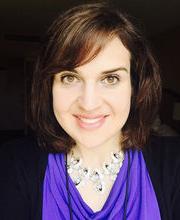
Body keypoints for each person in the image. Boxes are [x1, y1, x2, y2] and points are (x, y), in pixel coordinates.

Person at [0, 3, 180, 220]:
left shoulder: (174, 162)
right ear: (49, 86)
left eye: (110, 78)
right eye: (70, 77)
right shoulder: (12, 164)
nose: (89, 103)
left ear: (136, 87)